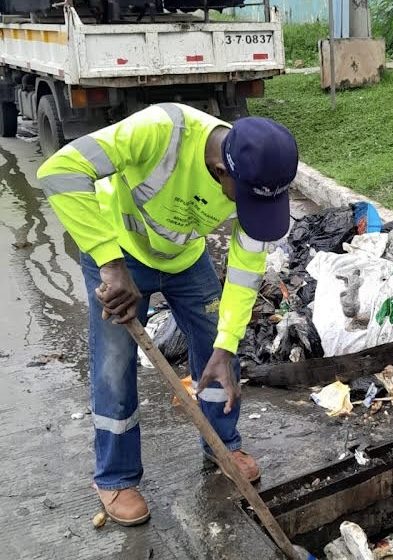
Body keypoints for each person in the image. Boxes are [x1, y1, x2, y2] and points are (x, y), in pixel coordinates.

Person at [37, 103, 298, 526]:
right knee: (114, 363)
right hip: (119, 254)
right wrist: (109, 262)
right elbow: (59, 171)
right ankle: (115, 476)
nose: (248, 210)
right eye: (245, 199)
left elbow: (246, 269)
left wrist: (227, 342)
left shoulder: (254, 169)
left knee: (217, 351)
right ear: (219, 171)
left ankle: (221, 445)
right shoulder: (160, 131)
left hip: (184, 258)